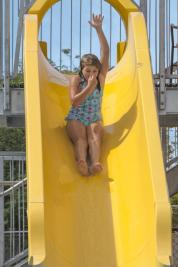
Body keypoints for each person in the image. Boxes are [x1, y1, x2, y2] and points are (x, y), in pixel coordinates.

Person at [65, 14, 109, 176]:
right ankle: (82, 161)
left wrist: (98, 30)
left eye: (94, 71)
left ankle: (95, 163)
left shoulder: (101, 78)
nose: (91, 73)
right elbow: (74, 102)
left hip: (93, 116)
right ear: (82, 69)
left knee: (95, 133)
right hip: (76, 115)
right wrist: (89, 87)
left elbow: (105, 51)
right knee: (81, 139)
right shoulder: (76, 79)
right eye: (88, 70)